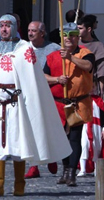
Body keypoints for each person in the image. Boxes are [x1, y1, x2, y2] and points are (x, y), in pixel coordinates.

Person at [0, 14, 72, 196]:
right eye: (1, 26)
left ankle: (19, 185)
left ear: (14, 27)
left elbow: (32, 80)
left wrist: (30, 105)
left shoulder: (25, 49)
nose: (3, 29)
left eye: (7, 25)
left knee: (18, 144)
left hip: (17, 104)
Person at [44, 22, 95, 186]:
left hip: (77, 103)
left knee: (74, 137)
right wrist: (57, 79)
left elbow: (88, 66)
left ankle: (72, 171)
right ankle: (65, 170)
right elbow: (43, 76)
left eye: (72, 35)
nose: (68, 38)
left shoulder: (85, 53)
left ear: (77, 37)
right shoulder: (52, 56)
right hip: (59, 104)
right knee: (62, 139)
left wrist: (71, 58)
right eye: (65, 35)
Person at [24, 21, 61, 179]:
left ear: (42, 33)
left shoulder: (54, 49)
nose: (30, 33)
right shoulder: (23, 49)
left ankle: (51, 158)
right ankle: (33, 165)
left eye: (34, 31)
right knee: (30, 132)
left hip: (49, 94)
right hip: (28, 94)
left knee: (49, 130)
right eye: (29, 30)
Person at [77, 15, 104, 98]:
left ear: (89, 29)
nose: (78, 31)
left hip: (91, 85)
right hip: (75, 84)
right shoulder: (75, 43)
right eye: (77, 28)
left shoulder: (98, 46)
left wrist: (102, 91)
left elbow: (101, 72)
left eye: (80, 28)